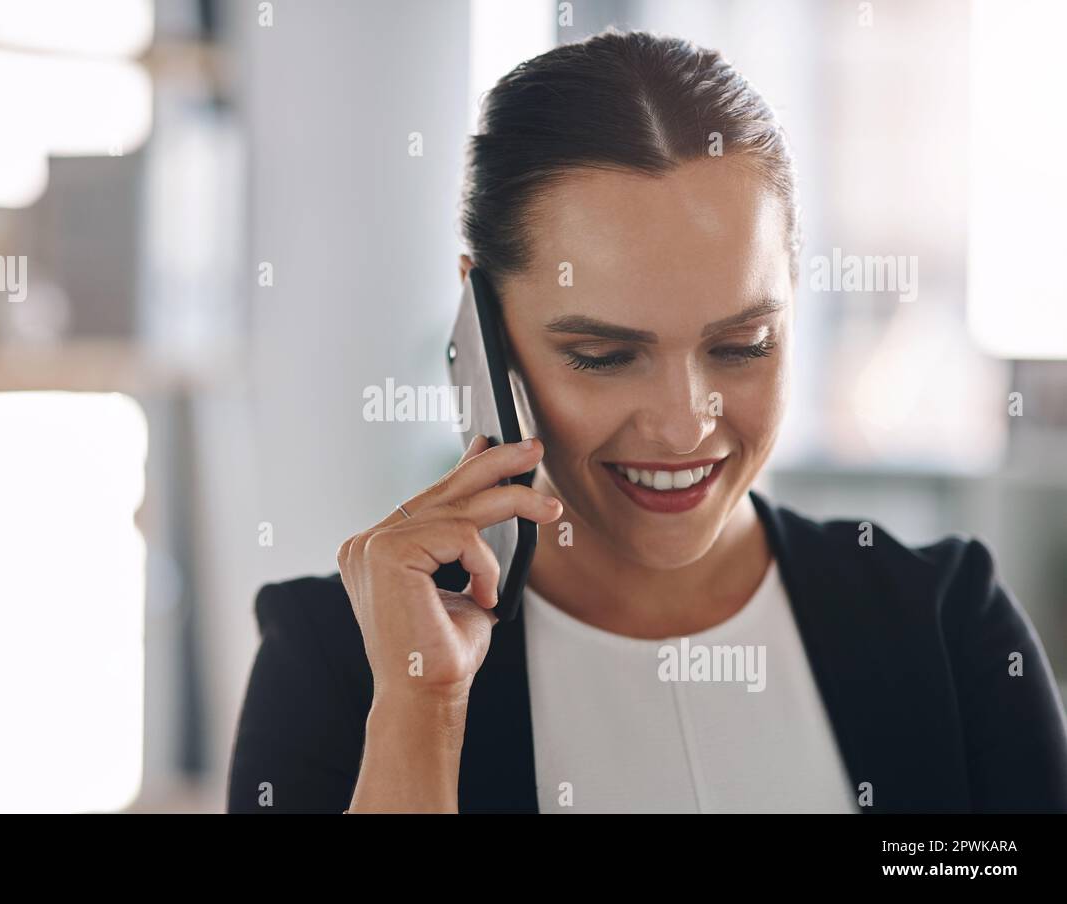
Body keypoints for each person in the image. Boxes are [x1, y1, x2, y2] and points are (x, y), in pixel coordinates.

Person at [227, 28, 1067, 813]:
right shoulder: (342, 663)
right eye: (601, 354)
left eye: (742, 345)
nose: (681, 427)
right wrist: (422, 711)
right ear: (482, 330)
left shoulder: (948, 629)